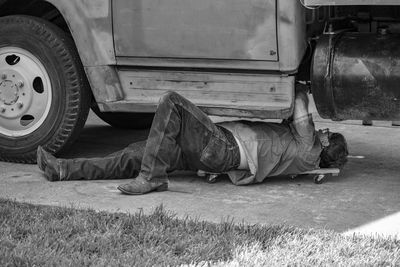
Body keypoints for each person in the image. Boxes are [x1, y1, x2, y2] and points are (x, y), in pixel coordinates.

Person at [37, 88, 349, 195]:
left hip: (222, 148)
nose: (321, 130)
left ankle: (152, 178)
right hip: (215, 157)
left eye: (326, 133)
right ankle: (62, 169)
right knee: (136, 154)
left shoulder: (310, 147)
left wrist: (302, 85)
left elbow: (297, 107)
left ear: (326, 143)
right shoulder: (300, 153)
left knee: (171, 102)